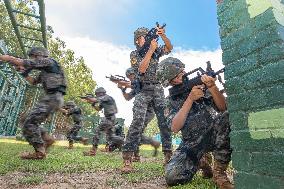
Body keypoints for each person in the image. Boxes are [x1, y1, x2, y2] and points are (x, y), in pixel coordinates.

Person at [156, 57, 233, 189]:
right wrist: (190, 99)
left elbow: (223, 107)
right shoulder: (169, 101)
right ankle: (201, 161)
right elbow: (175, 127)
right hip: (191, 143)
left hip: (214, 134)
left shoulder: (201, 86)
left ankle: (219, 173)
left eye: (181, 72)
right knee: (172, 177)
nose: (181, 75)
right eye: (176, 75)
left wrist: (212, 86)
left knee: (226, 117)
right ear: (170, 81)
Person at [121, 26, 173, 173]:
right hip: (143, 90)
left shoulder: (156, 51)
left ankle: (168, 155)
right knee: (137, 122)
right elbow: (141, 70)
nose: (148, 38)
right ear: (138, 40)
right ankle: (127, 158)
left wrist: (163, 36)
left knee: (164, 121)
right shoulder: (134, 54)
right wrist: (150, 50)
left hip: (157, 88)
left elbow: (169, 47)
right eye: (144, 36)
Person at [0, 47, 67, 159]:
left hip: (53, 97)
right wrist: (25, 74)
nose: (31, 59)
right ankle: (47, 139)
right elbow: (34, 82)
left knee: (28, 122)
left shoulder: (49, 61)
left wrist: (6, 58)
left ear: (38, 55)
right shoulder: (46, 70)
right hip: (53, 98)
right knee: (25, 119)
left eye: (32, 57)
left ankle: (40, 151)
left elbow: (26, 62)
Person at [117, 68, 160, 161]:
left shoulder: (142, 81)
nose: (130, 79)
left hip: (148, 112)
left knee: (135, 131)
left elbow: (133, 84)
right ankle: (137, 155)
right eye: (129, 78)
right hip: (140, 111)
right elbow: (127, 98)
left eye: (131, 76)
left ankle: (150, 144)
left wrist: (124, 84)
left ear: (135, 74)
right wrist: (122, 89)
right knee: (136, 132)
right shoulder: (136, 86)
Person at [82, 87, 124, 156]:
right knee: (111, 137)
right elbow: (98, 109)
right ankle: (125, 142)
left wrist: (89, 98)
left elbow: (95, 99)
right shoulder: (104, 100)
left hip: (110, 118)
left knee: (97, 130)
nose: (97, 95)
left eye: (97, 94)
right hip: (109, 118)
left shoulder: (107, 97)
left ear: (101, 93)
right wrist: (92, 104)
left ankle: (93, 151)